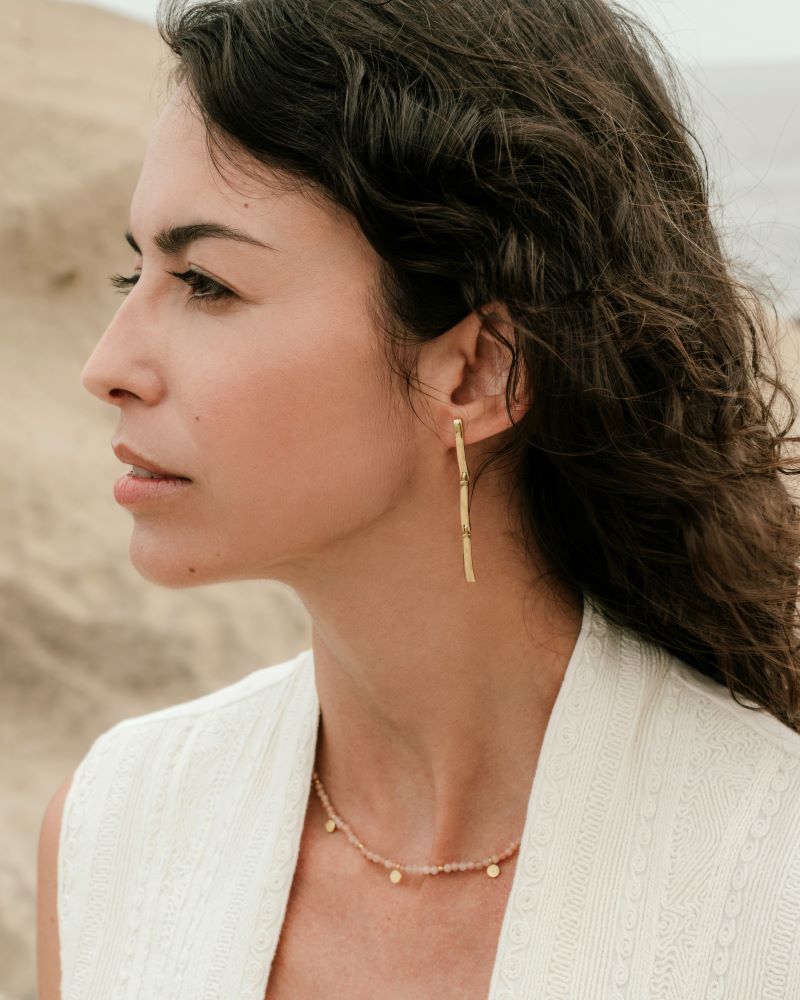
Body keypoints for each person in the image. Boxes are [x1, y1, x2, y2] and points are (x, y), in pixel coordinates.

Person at [38, 0, 800, 997]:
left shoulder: (769, 876)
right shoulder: (117, 831)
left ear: (477, 370)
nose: (108, 366)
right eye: (130, 272)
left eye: (207, 283)